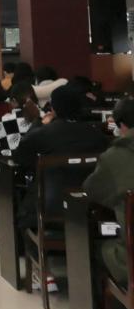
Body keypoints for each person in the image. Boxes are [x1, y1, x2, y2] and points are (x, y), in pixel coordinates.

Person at [13, 84, 110, 230]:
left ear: (54, 108)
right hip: (90, 209)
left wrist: (37, 122)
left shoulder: (43, 134)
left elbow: (20, 157)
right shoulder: (97, 136)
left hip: (50, 208)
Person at [83, 98, 134, 289]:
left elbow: (91, 191)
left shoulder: (114, 157)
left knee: (98, 247)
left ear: (121, 125)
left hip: (129, 258)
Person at [0, 82, 42, 156]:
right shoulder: (45, 117)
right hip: (39, 162)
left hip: (9, 162)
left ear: (14, 101)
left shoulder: (2, 121)